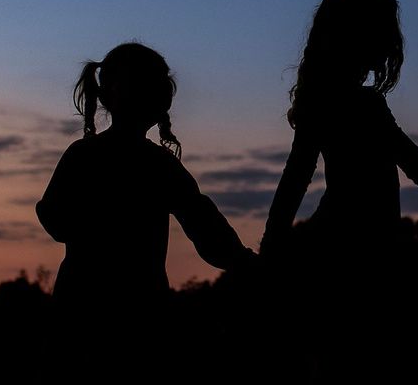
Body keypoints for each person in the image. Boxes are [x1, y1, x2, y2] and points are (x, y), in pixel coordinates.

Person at [262, 0, 418, 268]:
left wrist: (270, 247)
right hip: (356, 250)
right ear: (359, 33)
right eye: (384, 28)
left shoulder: (324, 100)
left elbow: (294, 178)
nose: (392, 40)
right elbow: (416, 164)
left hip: (346, 245)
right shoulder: (360, 105)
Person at [36, 42, 255, 314]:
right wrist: (246, 263)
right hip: (137, 308)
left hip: (84, 304)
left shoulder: (88, 155)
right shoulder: (158, 165)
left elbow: (52, 216)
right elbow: (207, 228)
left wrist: (243, 262)